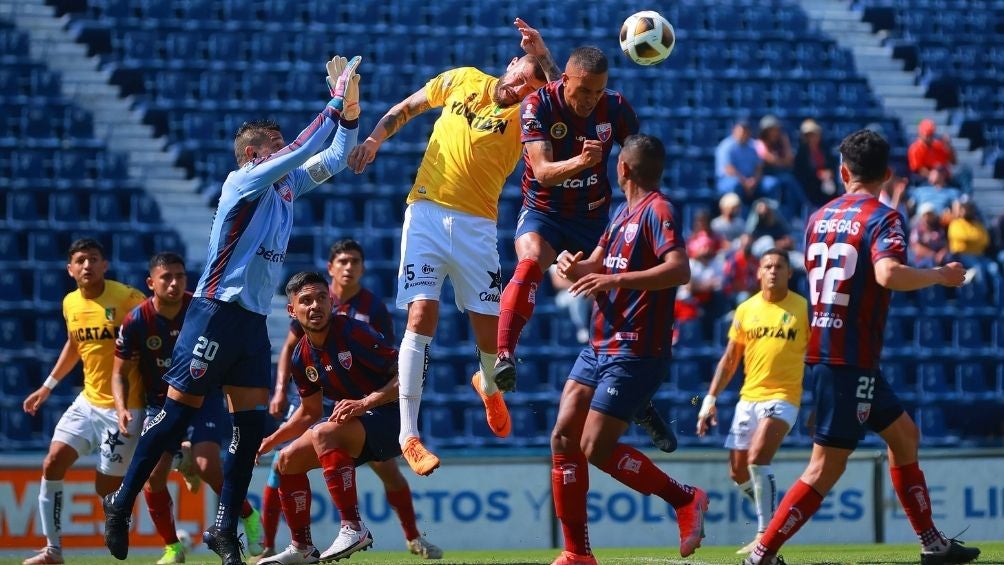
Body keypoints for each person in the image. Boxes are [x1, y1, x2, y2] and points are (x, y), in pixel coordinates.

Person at [103, 55, 363, 565]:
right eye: (273, 142)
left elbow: (332, 158)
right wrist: (333, 100)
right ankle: (121, 503)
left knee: (248, 427)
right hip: (215, 310)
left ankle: (224, 527)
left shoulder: (283, 187)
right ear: (252, 154)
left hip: (249, 322)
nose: (283, 147)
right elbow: (306, 147)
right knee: (178, 413)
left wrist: (350, 115)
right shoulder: (240, 182)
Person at [744, 130, 978, 565]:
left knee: (905, 435)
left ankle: (932, 544)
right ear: (888, 174)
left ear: (843, 172)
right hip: (847, 358)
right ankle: (762, 554)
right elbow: (888, 275)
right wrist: (938, 275)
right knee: (825, 467)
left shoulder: (818, 216)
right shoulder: (883, 217)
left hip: (843, 354)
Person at [347, 19, 558, 475]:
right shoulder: (463, 79)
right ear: (510, 63)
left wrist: (544, 57)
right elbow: (409, 106)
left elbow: (566, 101)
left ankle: (488, 384)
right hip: (424, 213)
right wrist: (374, 139)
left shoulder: (526, 116)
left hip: (477, 228)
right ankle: (409, 434)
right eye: (523, 69)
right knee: (421, 316)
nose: (524, 81)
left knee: (490, 337)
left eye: (533, 82)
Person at [492, 45, 675, 453]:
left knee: (618, 296)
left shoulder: (615, 109)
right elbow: (541, 172)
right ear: (565, 81)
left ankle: (640, 401)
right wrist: (581, 161)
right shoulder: (536, 106)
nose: (591, 99)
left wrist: (637, 212)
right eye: (584, 90)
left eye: (598, 91)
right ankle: (503, 355)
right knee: (529, 263)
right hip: (543, 212)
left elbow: (637, 166)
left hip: (594, 219)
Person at [550, 134, 707, 565]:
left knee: (595, 447)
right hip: (600, 345)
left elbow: (680, 269)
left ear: (623, 169)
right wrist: (572, 266)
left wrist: (614, 281)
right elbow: (596, 266)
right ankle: (577, 553)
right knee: (563, 436)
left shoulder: (658, 209)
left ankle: (684, 499)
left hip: (637, 348)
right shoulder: (621, 215)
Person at [260, 240, 441, 561]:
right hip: (351, 420)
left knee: (325, 434)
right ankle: (301, 547)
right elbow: (309, 412)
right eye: (306, 301)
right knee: (286, 460)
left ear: (330, 302)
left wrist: (365, 402)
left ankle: (354, 528)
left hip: (389, 419)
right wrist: (269, 440)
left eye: (320, 299)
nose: (315, 306)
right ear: (292, 311)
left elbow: (411, 373)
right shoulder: (302, 355)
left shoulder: (354, 330)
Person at [112, 253, 263, 563]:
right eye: (166, 277)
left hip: (205, 399)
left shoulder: (201, 308)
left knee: (209, 466)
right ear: (150, 282)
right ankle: (173, 546)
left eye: (180, 276)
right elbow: (118, 371)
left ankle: (247, 516)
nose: (174, 283)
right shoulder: (137, 320)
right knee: (154, 477)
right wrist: (121, 408)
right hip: (162, 404)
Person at [21, 238, 147, 565]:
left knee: (104, 489)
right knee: (52, 463)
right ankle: (53, 551)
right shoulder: (70, 303)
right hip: (88, 401)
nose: (87, 265)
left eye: (93, 259)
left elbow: (157, 333)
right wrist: (47, 387)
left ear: (105, 265)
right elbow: (75, 345)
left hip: (125, 409)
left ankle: (117, 514)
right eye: (81, 260)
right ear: (70, 269)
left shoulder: (128, 298)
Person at [696, 249, 808, 555]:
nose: (773, 271)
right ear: (758, 273)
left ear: (789, 273)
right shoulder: (746, 309)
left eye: (779, 266)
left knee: (758, 458)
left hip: (784, 397)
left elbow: (819, 359)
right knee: (738, 471)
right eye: (767, 266)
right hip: (749, 398)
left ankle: (765, 535)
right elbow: (731, 358)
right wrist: (710, 399)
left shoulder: (803, 309)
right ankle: (774, 518)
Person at [716, 118, 773, 205]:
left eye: (745, 131)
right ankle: (739, 216)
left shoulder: (754, 146)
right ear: (734, 131)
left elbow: (759, 167)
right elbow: (729, 169)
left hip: (752, 181)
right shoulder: (725, 146)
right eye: (740, 131)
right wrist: (744, 183)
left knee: (771, 184)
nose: (742, 134)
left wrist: (754, 180)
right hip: (730, 181)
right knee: (735, 185)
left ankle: (773, 216)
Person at [793, 119, 839, 209]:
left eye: (814, 135)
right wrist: (818, 175)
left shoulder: (825, 149)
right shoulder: (801, 153)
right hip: (810, 184)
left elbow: (832, 165)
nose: (812, 138)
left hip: (827, 180)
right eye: (809, 136)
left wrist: (829, 173)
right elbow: (801, 172)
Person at [909, 203, 949, 268]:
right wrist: (933, 255)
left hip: (940, 258)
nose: (927, 217)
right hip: (924, 260)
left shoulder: (940, 228)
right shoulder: (917, 229)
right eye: (925, 215)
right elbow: (916, 247)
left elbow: (946, 244)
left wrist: (941, 254)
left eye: (930, 214)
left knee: (950, 258)